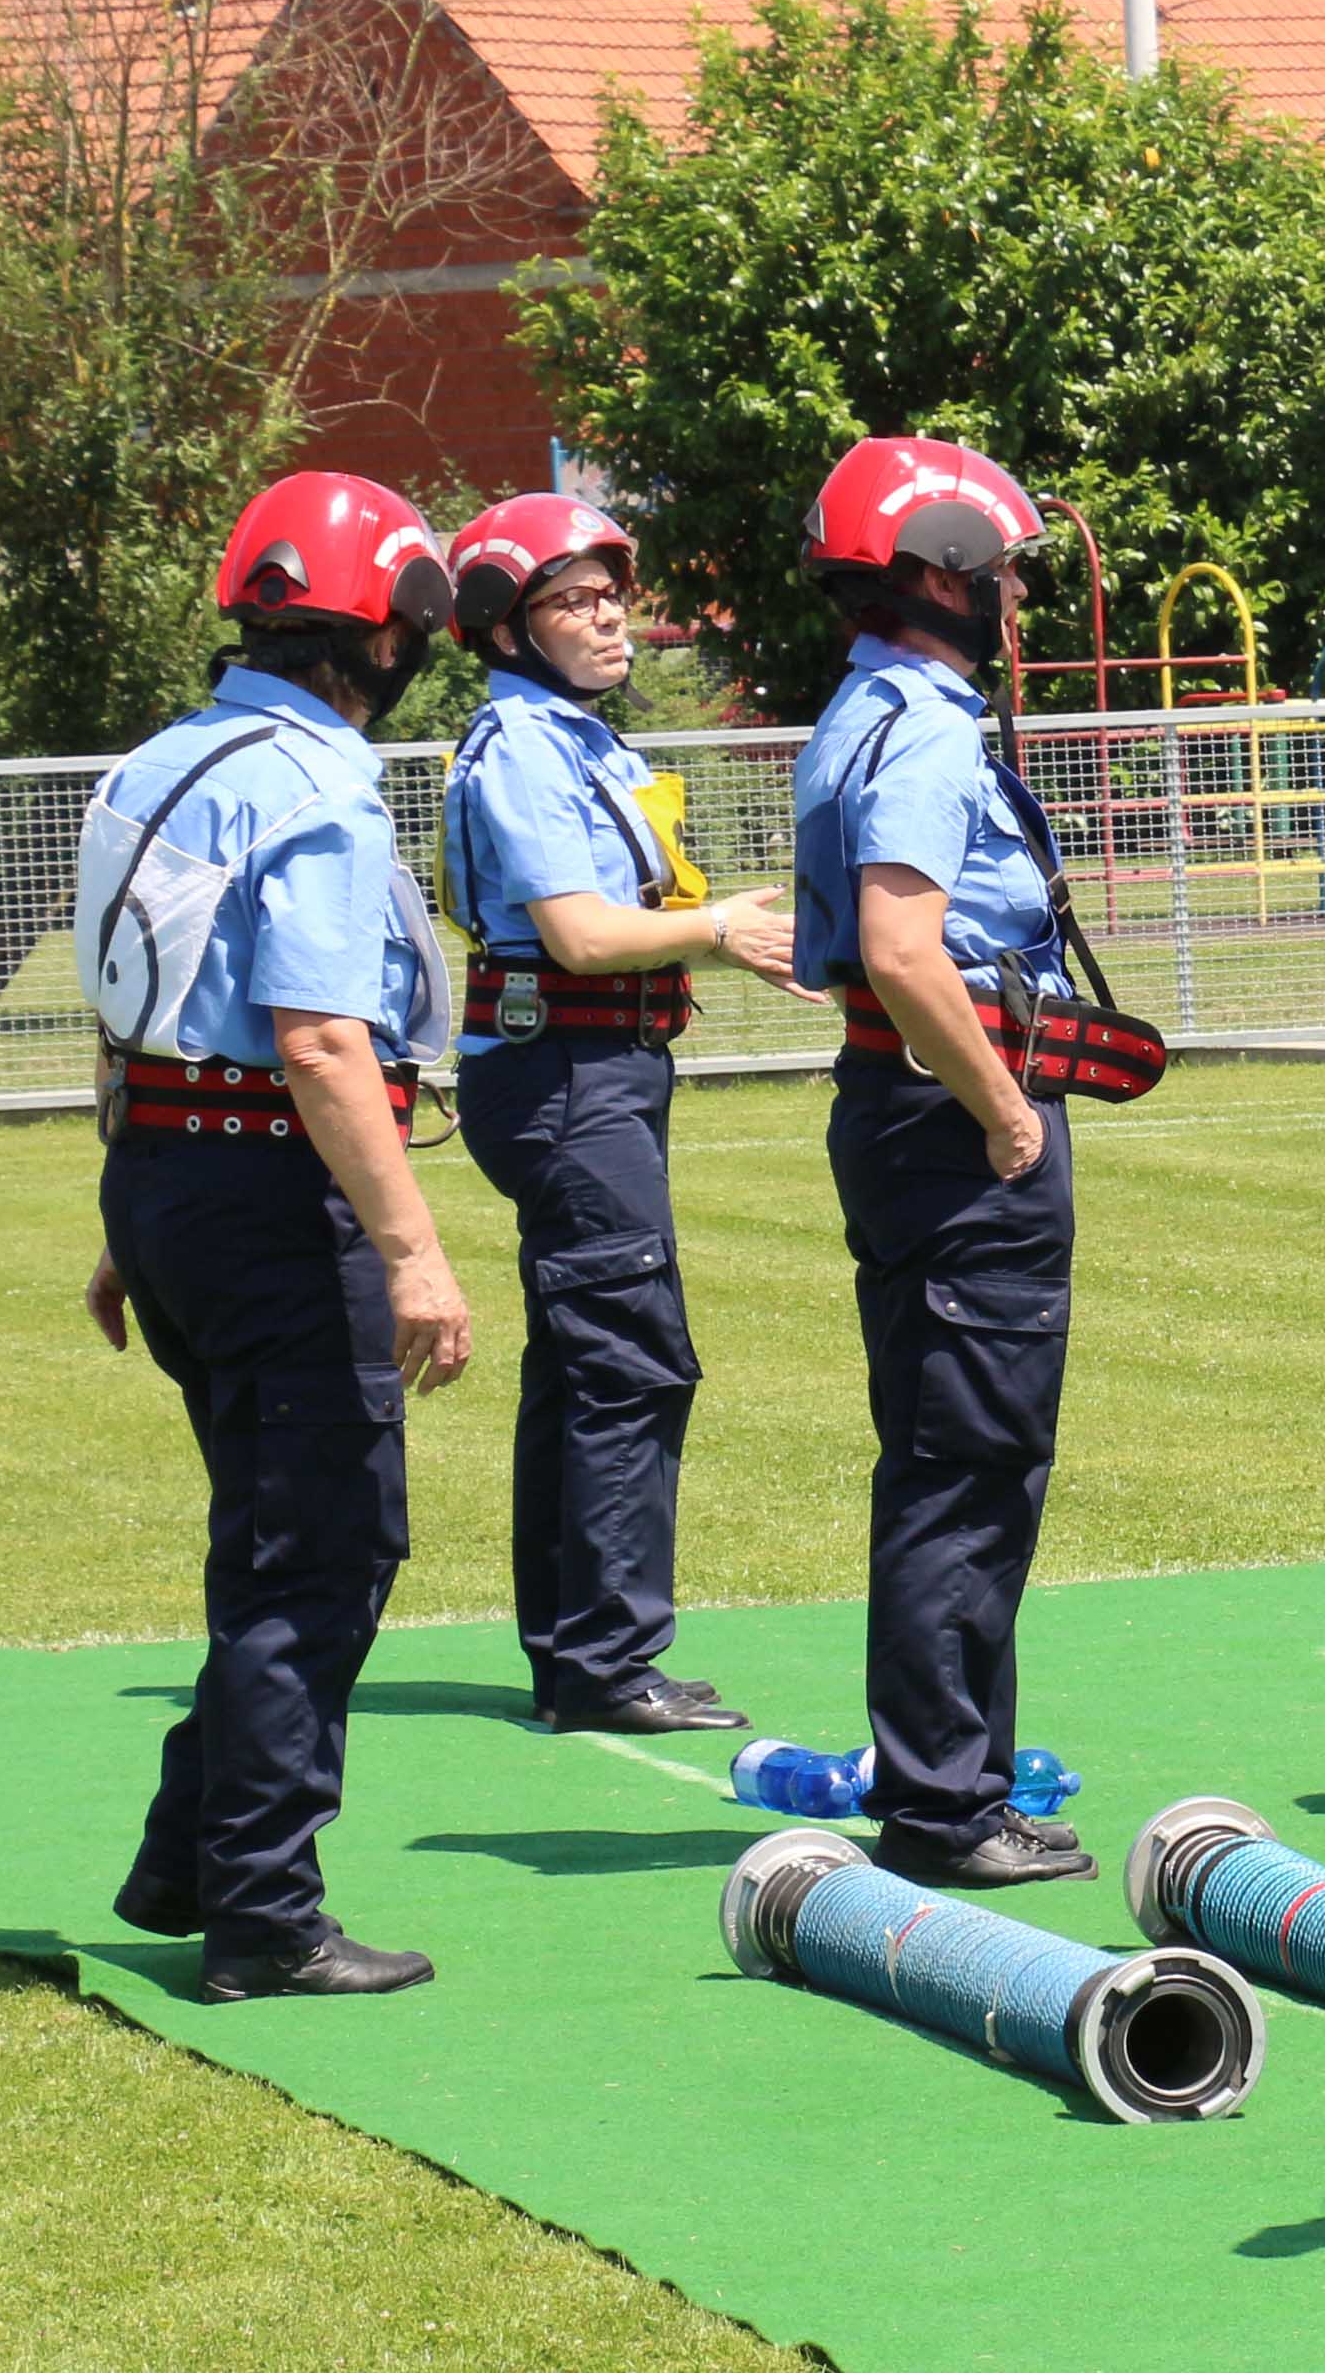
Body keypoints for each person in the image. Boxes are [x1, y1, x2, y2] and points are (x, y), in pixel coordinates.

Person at [73, 472, 469, 2000]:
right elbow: (318, 1039)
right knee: (324, 1544)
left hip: (169, 1174)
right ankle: (262, 1914)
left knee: (272, 1529)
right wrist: (413, 1251)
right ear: (389, 634)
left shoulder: (154, 762)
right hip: (267, 1194)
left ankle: (193, 1856)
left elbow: (129, 1010)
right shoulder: (319, 784)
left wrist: (133, 1212)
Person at [790, 435, 1105, 1890]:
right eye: (1005, 573)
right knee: (971, 1467)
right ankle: (944, 1803)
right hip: (948, 1113)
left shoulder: (859, 708)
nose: (1018, 600)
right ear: (940, 572)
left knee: (947, 1454)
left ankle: (954, 1782)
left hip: (894, 1105)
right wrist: (1004, 1110)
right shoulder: (920, 725)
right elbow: (906, 946)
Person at [438, 494, 803, 1739]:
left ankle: (577, 1653)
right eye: (575, 601)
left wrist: (715, 926)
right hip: (564, 1075)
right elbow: (582, 935)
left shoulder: (572, 736)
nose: (611, 619)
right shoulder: (527, 745)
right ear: (504, 627)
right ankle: (606, 1661)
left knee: (583, 1360)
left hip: (595, 1069)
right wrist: (720, 929)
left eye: (611, 596)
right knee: (630, 1359)